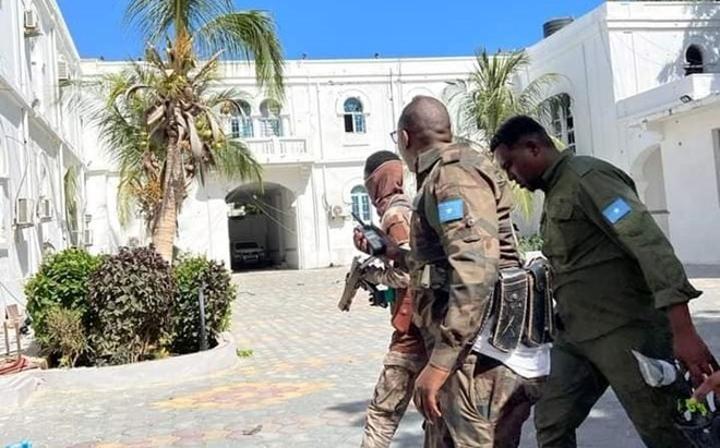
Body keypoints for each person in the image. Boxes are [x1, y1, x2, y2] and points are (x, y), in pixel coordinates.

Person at [490, 115, 717, 448]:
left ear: (533, 147)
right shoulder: (556, 191)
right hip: (577, 338)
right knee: (551, 422)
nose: (510, 176)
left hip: (627, 333)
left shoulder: (589, 178)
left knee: (666, 431)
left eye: (510, 164)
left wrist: (684, 331)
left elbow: (649, 245)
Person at [387, 96, 548, 447]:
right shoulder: (454, 170)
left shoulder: (452, 175)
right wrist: (397, 254)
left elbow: (475, 269)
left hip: (477, 355)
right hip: (473, 350)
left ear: (404, 137)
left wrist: (440, 363)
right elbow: (452, 258)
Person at [355, 151, 427, 448]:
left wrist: (372, 274)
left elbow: (410, 273)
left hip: (412, 332)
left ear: (375, 184)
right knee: (436, 414)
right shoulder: (412, 207)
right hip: (430, 325)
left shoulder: (394, 215)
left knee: (382, 414)